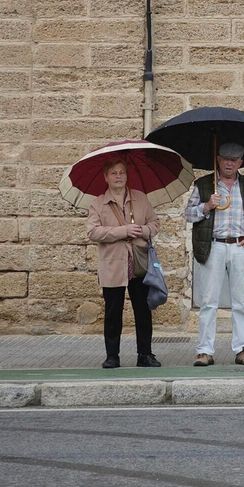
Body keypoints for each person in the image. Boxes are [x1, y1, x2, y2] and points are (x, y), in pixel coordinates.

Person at [182, 142, 244, 367]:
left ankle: (243, 349)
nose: (229, 163)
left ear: (240, 163)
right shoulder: (204, 184)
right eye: (225, 159)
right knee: (209, 300)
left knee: (240, 301)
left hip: (240, 246)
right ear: (217, 160)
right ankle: (205, 351)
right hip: (214, 245)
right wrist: (207, 206)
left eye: (233, 160)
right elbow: (188, 214)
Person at [86, 158, 160, 369]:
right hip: (112, 264)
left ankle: (145, 354)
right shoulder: (98, 203)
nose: (118, 176)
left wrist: (143, 231)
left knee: (143, 310)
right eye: (113, 173)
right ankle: (112, 356)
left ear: (127, 176)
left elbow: (155, 223)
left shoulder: (140, 198)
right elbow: (92, 232)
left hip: (138, 261)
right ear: (106, 177)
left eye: (121, 173)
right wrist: (123, 231)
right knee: (113, 312)